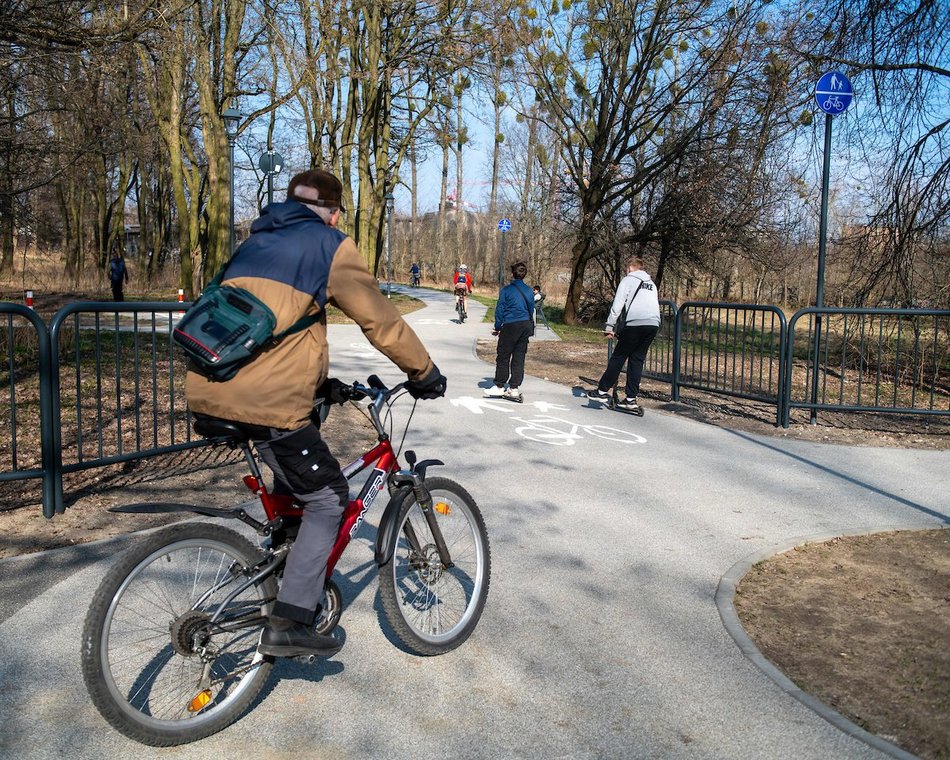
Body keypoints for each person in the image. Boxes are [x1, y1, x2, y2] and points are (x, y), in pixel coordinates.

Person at [185, 168, 446, 659]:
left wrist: (322, 383)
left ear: (289, 203)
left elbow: (270, 327)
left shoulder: (254, 243)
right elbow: (380, 320)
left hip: (210, 386)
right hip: (267, 401)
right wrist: (423, 371)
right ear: (333, 212)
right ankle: (289, 623)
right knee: (328, 499)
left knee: (297, 490)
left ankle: (287, 569)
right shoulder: (329, 245)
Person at [587, 255, 660, 413]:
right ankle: (631, 399)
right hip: (653, 324)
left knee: (619, 357)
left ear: (630, 268)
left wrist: (609, 326)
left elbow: (618, 304)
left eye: (627, 269)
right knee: (637, 360)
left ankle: (602, 391)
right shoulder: (651, 284)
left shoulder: (628, 280)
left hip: (635, 323)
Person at [484, 261, 534, 402]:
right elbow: (531, 309)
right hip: (525, 325)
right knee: (519, 357)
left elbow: (500, 310)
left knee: (504, 356)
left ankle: (499, 385)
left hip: (511, 324)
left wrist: (497, 327)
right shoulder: (529, 291)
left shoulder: (506, 290)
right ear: (524, 274)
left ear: (513, 274)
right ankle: (514, 388)